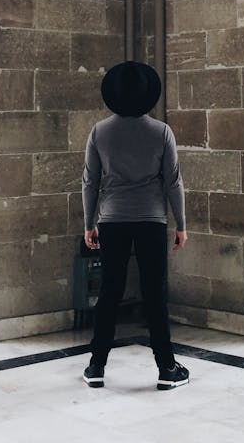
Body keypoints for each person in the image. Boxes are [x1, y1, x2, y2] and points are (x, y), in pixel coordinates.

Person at [81, 60, 190, 390]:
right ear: (148, 95)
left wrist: (89, 224)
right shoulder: (162, 132)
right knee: (154, 294)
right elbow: (173, 182)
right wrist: (181, 224)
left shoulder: (100, 131)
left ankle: (96, 366)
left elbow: (90, 182)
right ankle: (166, 368)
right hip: (151, 221)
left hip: (111, 220)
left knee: (110, 292)